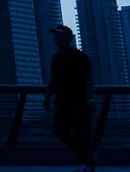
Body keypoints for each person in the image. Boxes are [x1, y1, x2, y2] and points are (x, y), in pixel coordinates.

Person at [46, 24, 97, 172]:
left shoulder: (80, 57)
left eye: (60, 36)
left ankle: (87, 163)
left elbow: (88, 79)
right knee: (59, 131)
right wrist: (47, 97)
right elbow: (53, 79)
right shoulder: (55, 58)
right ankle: (88, 156)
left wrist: (91, 99)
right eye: (55, 36)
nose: (57, 39)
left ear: (69, 38)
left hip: (79, 103)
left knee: (82, 134)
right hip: (61, 103)